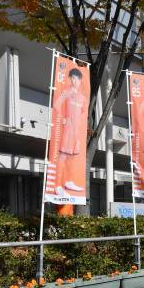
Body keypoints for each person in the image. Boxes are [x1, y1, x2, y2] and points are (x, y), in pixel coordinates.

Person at [53, 67, 86, 196]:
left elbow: (83, 113)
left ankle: (69, 181)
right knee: (63, 156)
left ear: (80, 80)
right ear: (70, 79)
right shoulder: (67, 92)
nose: (74, 81)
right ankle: (57, 186)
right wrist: (62, 119)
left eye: (77, 78)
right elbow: (57, 105)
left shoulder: (82, 98)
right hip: (67, 131)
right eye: (72, 78)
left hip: (76, 133)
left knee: (72, 157)